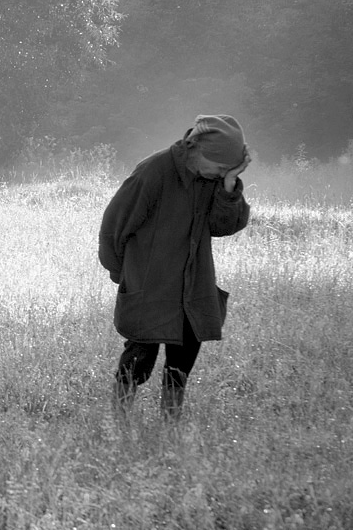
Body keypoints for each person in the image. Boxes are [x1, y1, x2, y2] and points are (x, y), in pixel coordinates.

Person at [99, 114, 251, 421]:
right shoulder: (153, 173)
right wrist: (123, 275)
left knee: (181, 365)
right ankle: (119, 426)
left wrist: (229, 185)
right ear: (199, 152)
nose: (222, 173)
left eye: (228, 170)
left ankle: (169, 427)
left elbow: (224, 226)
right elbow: (114, 227)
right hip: (150, 287)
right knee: (138, 361)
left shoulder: (215, 181)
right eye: (221, 167)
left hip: (193, 287)